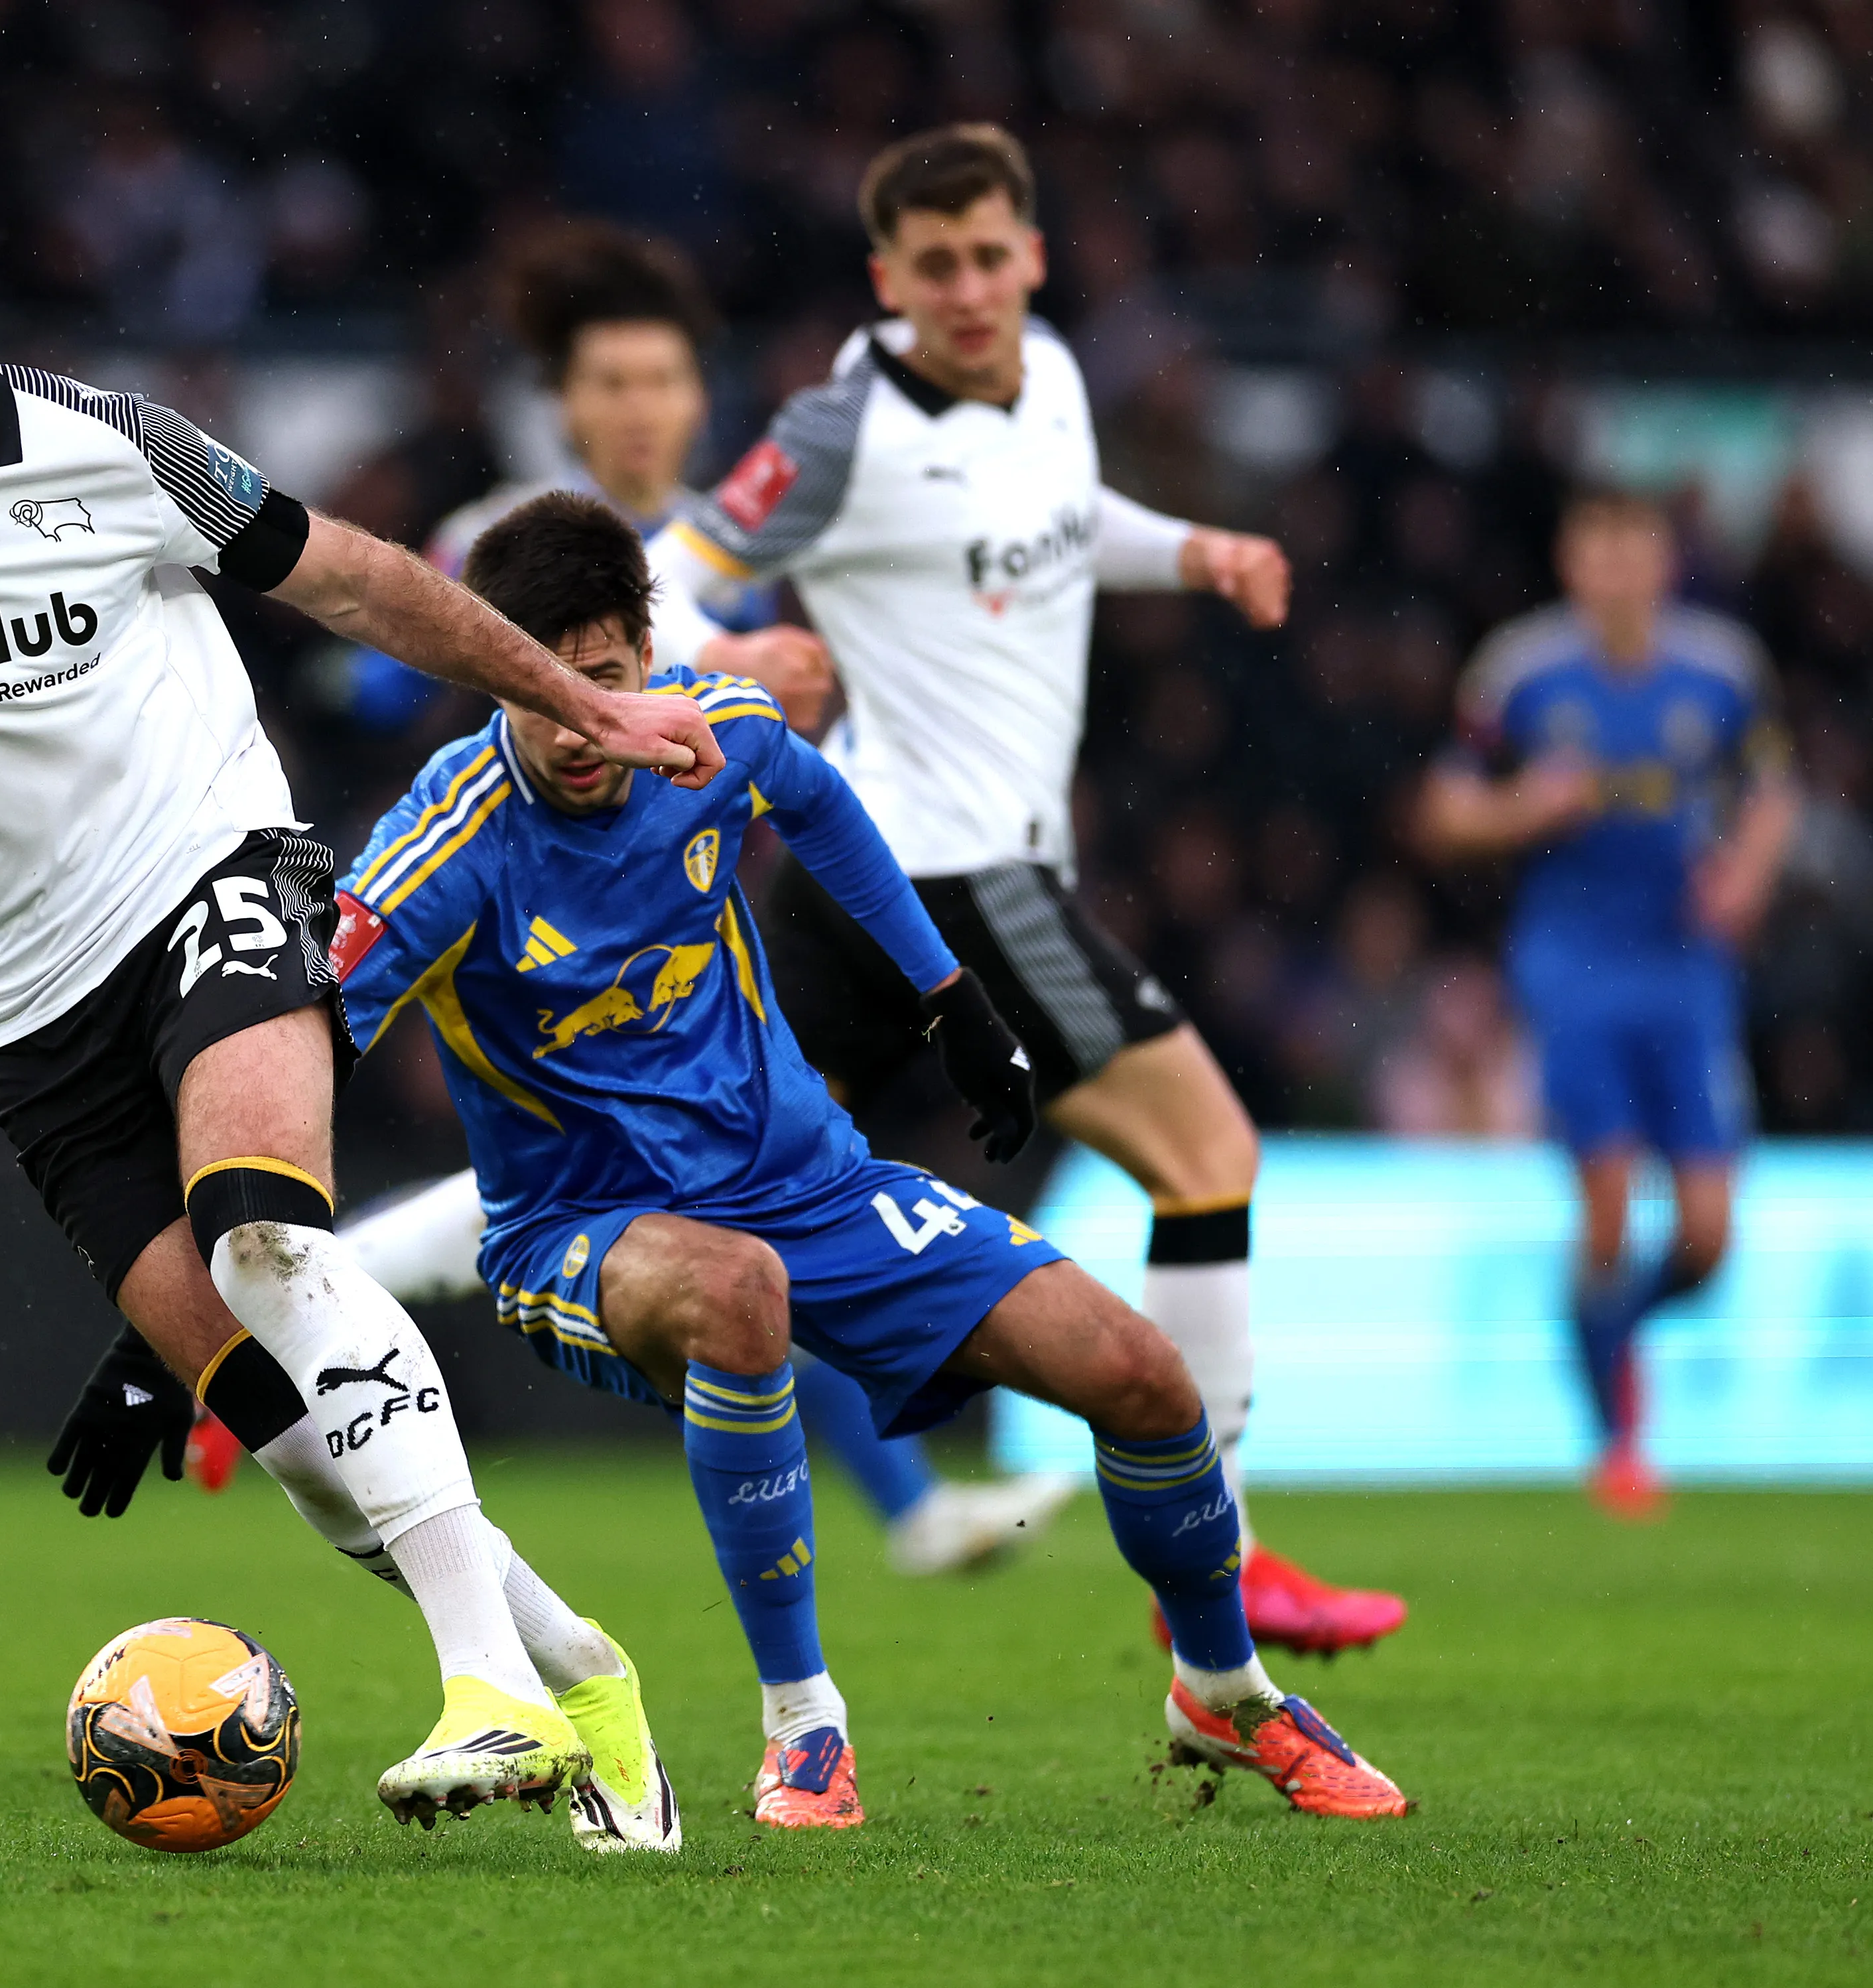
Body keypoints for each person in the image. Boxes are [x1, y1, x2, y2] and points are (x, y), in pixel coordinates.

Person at [0, 145, 725, 1839]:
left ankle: (486, 1692)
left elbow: (358, 578)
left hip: (212, 874)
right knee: (293, 1435)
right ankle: (580, 1669)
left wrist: (585, 703)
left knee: (266, 1239)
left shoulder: (114, 450)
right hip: (22, 1013)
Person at [332, 493, 1405, 1823]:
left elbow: (821, 801)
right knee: (739, 1294)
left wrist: (952, 997)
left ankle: (1221, 1687)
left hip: (812, 1185)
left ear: (647, 656)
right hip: (579, 1231)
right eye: (535, 690)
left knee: (1136, 1372)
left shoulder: (712, 731)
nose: (575, 725)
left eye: (601, 681)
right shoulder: (445, 840)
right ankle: (803, 1723)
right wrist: (234, 1234)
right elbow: (310, 1032)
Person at [643, 123, 1404, 1656]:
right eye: (935, 266)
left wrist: (1196, 553)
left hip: (858, 879)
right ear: (887, 279)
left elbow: (1059, 525)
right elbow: (666, 568)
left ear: (1033, 257)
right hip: (952, 874)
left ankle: (388, 1306)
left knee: (720, 1207)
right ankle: (1226, 1557)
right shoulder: (840, 434)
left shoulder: (1050, 377)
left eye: (990, 257)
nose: (969, 290)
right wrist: (728, 654)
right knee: (1206, 1152)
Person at [336, 219, 1076, 1574]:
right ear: (566, 405)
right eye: (611, 383)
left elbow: (789, 737)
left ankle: (905, 1505)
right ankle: (353, 1274)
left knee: (759, 1213)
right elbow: (375, 679)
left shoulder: (723, 538)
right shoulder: (498, 541)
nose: (639, 407)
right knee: (680, 1202)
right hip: (528, 915)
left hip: (719, 917)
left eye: (664, 380)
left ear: (698, 398)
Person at [1416, 488, 1796, 1520]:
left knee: (1709, 1237)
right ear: (1572, 564)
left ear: (1666, 564)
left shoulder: (1722, 670)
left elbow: (1772, 791)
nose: (1620, 573)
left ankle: (1606, 1329)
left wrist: (1746, 875)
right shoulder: (1521, 672)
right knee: (1610, 1210)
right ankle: (1617, 1445)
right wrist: (1521, 809)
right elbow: (1443, 811)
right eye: (1601, 553)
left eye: (1638, 553)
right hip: (1572, 962)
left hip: (1685, 967)